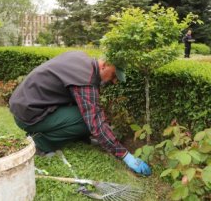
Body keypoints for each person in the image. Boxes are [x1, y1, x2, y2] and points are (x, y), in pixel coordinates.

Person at [9, 51, 151, 176]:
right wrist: (126, 155)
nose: (114, 82)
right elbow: (95, 122)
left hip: (25, 106)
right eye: (114, 75)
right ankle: (40, 142)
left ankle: (75, 137)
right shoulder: (85, 79)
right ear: (104, 65)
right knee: (88, 120)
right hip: (29, 115)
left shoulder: (81, 59)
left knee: (88, 113)